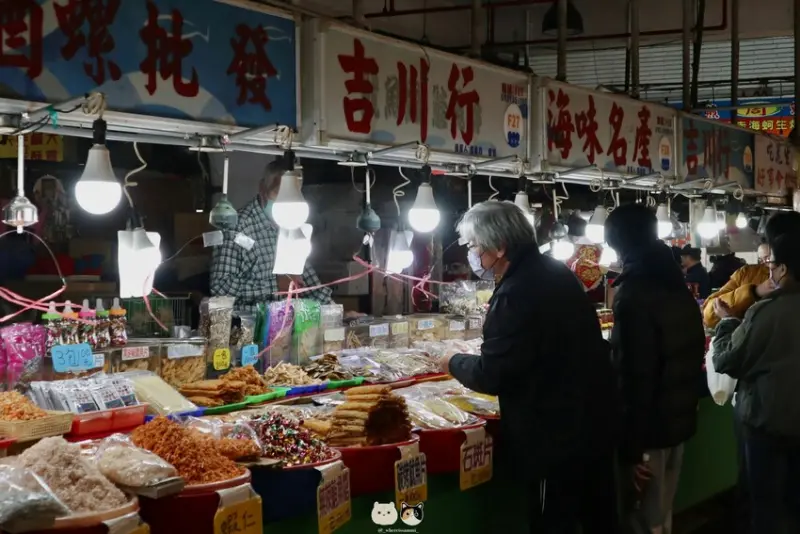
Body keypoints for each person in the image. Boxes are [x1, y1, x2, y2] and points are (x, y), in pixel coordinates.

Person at [437, 201, 618, 533]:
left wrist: (452, 360)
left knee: (553, 523)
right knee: (598, 520)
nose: (473, 254)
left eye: (475, 245)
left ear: (500, 246)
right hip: (591, 424)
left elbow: (492, 374)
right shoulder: (555, 271)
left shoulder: (515, 292)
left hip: (554, 438)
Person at [604, 204, 706, 534]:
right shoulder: (675, 282)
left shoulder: (635, 292)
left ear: (618, 243)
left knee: (642, 521)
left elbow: (635, 375)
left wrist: (632, 450)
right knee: (661, 518)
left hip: (648, 432)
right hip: (676, 423)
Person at [712, 211, 800, 534]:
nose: (769, 270)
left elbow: (727, 359)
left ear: (785, 269)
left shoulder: (766, 312)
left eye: (772, 264)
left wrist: (726, 324)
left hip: (768, 429)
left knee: (766, 511)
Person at [211, 157, 333, 314]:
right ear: (262, 189)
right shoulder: (237, 227)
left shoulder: (293, 225)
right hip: (247, 328)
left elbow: (308, 283)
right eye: (278, 192)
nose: (286, 201)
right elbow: (220, 287)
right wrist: (275, 286)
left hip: (287, 327)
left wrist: (333, 309)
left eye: (292, 195)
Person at [702, 242, 770, 329]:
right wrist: (752, 292)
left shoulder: (790, 281)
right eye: (761, 260)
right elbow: (710, 313)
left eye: (768, 259)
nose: (766, 264)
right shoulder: (746, 273)